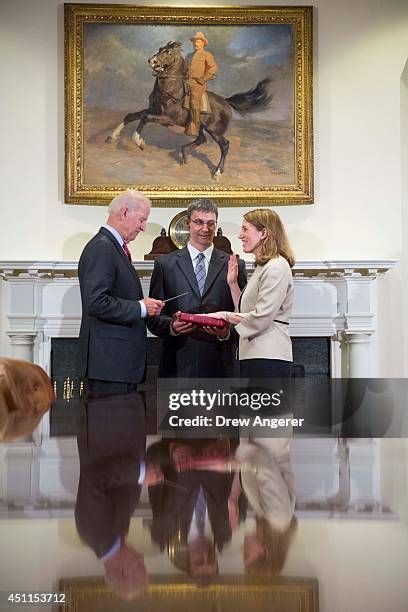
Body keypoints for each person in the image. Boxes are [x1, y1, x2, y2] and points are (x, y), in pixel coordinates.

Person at [77, 189, 164, 398]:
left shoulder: (113, 246)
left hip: (116, 367)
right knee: (110, 429)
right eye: (142, 220)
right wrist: (141, 307)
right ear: (125, 212)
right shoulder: (102, 247)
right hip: (109, 367)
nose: (143, 227)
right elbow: (96, 302)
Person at [147, 199, 247, 378]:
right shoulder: (165, 264)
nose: (205, 229)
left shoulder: (234, 264)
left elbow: (245, 315)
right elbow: (153, 318)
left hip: (220, 365)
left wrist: (226, 333)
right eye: (199, 222)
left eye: (211, 223)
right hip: (176, 364)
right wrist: (172, 326)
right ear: (188, 223)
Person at [211, 209, 295, 378]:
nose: (240, 235)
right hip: (255, 355)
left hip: (268, 358)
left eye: (245, 229)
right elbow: (246, 311)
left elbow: (262, 317)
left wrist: (224, 316)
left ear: (263, 233)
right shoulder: (264, 266)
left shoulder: (276, 266)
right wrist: (233, 283)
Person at [184, 32, 218, 137]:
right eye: (194, 41)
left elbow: (213, 68)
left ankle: (194, 127)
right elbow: (184, 69)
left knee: (194, 102)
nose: (195, 43)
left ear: (203, 43)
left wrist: (203, 79)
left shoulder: (206, 55)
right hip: (186, 81)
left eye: (198, 41)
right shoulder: (189, 56)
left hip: (197, 84)